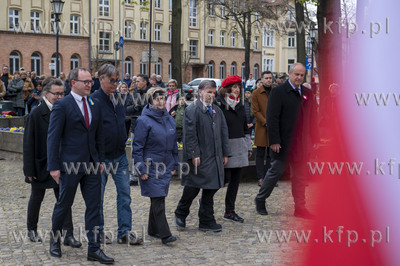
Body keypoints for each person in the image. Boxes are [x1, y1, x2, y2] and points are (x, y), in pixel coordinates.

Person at [47, 67, 114, 264]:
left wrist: (100, 160)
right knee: (63, 205)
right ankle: (55, 241)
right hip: (69, 165)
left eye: (90, 81)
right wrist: (54, 166)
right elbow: (53, 138)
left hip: (92, 165)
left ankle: (94, 249)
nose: (89, 84)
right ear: (73, 83)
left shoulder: (94, 103)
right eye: (85, 81)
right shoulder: (62, 105)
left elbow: (98, 134)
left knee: (94, 207)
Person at [254, 63, 319, 219]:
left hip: (301, 143)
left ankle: (300, 207)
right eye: (296, 74)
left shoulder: (307, 93)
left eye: (301, 75)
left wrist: (315, 137)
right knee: (274, 172)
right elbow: (272, 117)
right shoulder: (278, 92)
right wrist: (274, 141)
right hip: (282, 143)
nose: (298, 77)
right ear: (289, 74)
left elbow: (313, 117)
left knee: (300, 177)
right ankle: (260, 199)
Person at [23, 77, 81, 247]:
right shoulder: (35, 113)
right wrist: (29, 170)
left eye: (62, 93)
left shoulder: (65, 110)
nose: (59, 97)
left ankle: (68, 234)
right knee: (37, 197)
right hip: (40, 163)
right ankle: (32, 229)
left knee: (64, 200)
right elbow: (28, 143)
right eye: (56, 93)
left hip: (61, 163)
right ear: (46, 94)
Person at [91, 64, 143, 246]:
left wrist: (123, 138)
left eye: (116, 80)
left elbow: (125, 122)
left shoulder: (121, 99)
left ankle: (125, 232)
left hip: (120, 155)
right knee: (98, 197)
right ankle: (98, 232)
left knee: (125, 195)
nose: (114, 84)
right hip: (101, 158)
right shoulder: (93, 101)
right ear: (101, 79)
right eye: (111, 81)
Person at [174, 80, 231, 232]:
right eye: (209, 92)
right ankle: (181, 212)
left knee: (212, 186)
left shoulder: (217, 110)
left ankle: (206, 219)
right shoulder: (192, 110)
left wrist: (226, 152)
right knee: (193, 187)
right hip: (199, 156)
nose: (212, 95)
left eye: (214, 92)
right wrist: (194, 154)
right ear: (200, 92)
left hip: (214, 155)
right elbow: (190, 134)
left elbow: (224, 132)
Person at [132, 87, 179, 245]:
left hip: (166, 165)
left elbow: (174, 145)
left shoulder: (169, 119)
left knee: (158, 197)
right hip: (150, 166)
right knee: (158, 199)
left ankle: (153, 229)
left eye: (163, 98)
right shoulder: (143, 121)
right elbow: (137, 147)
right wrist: (141, 169)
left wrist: (175, 164)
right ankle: (165, 235)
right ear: (150, 100)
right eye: (157, 99)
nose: (161, 102)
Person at [214, 75, 252, 223]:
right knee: (223, 179)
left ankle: (229, 211)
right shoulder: (218, 105)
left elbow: (245, 128)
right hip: (225, 146)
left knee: (235, 181)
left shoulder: (241, 105)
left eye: (239, 87)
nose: (237, 90)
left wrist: (248, 145)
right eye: (234, 87)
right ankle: (205, 199)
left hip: (240, 145)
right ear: (227, 89)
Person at [126, 74, 150, 186]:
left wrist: (142, 107)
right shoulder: (134, 94)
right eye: (136, 82)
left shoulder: (150, 94)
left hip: (149, 128)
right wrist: (136, 107)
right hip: (135, 127)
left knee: (149, 151)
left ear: (145, 82)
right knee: (135, 151)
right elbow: (127, 109)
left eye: (138, 81)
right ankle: (134, 175)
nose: (136, 83)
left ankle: (148, 173)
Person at [251, 71, 274, 187]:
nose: (269, 80)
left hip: (273, 127)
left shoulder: (275, 91)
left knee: (272, 153)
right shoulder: (255, 93)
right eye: (266, 78)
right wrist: (265, 122)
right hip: (261, 127)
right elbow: (256, 111)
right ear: (262, 79)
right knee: (260, 153)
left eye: (270, 78)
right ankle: (260, 178)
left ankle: (270, 178)